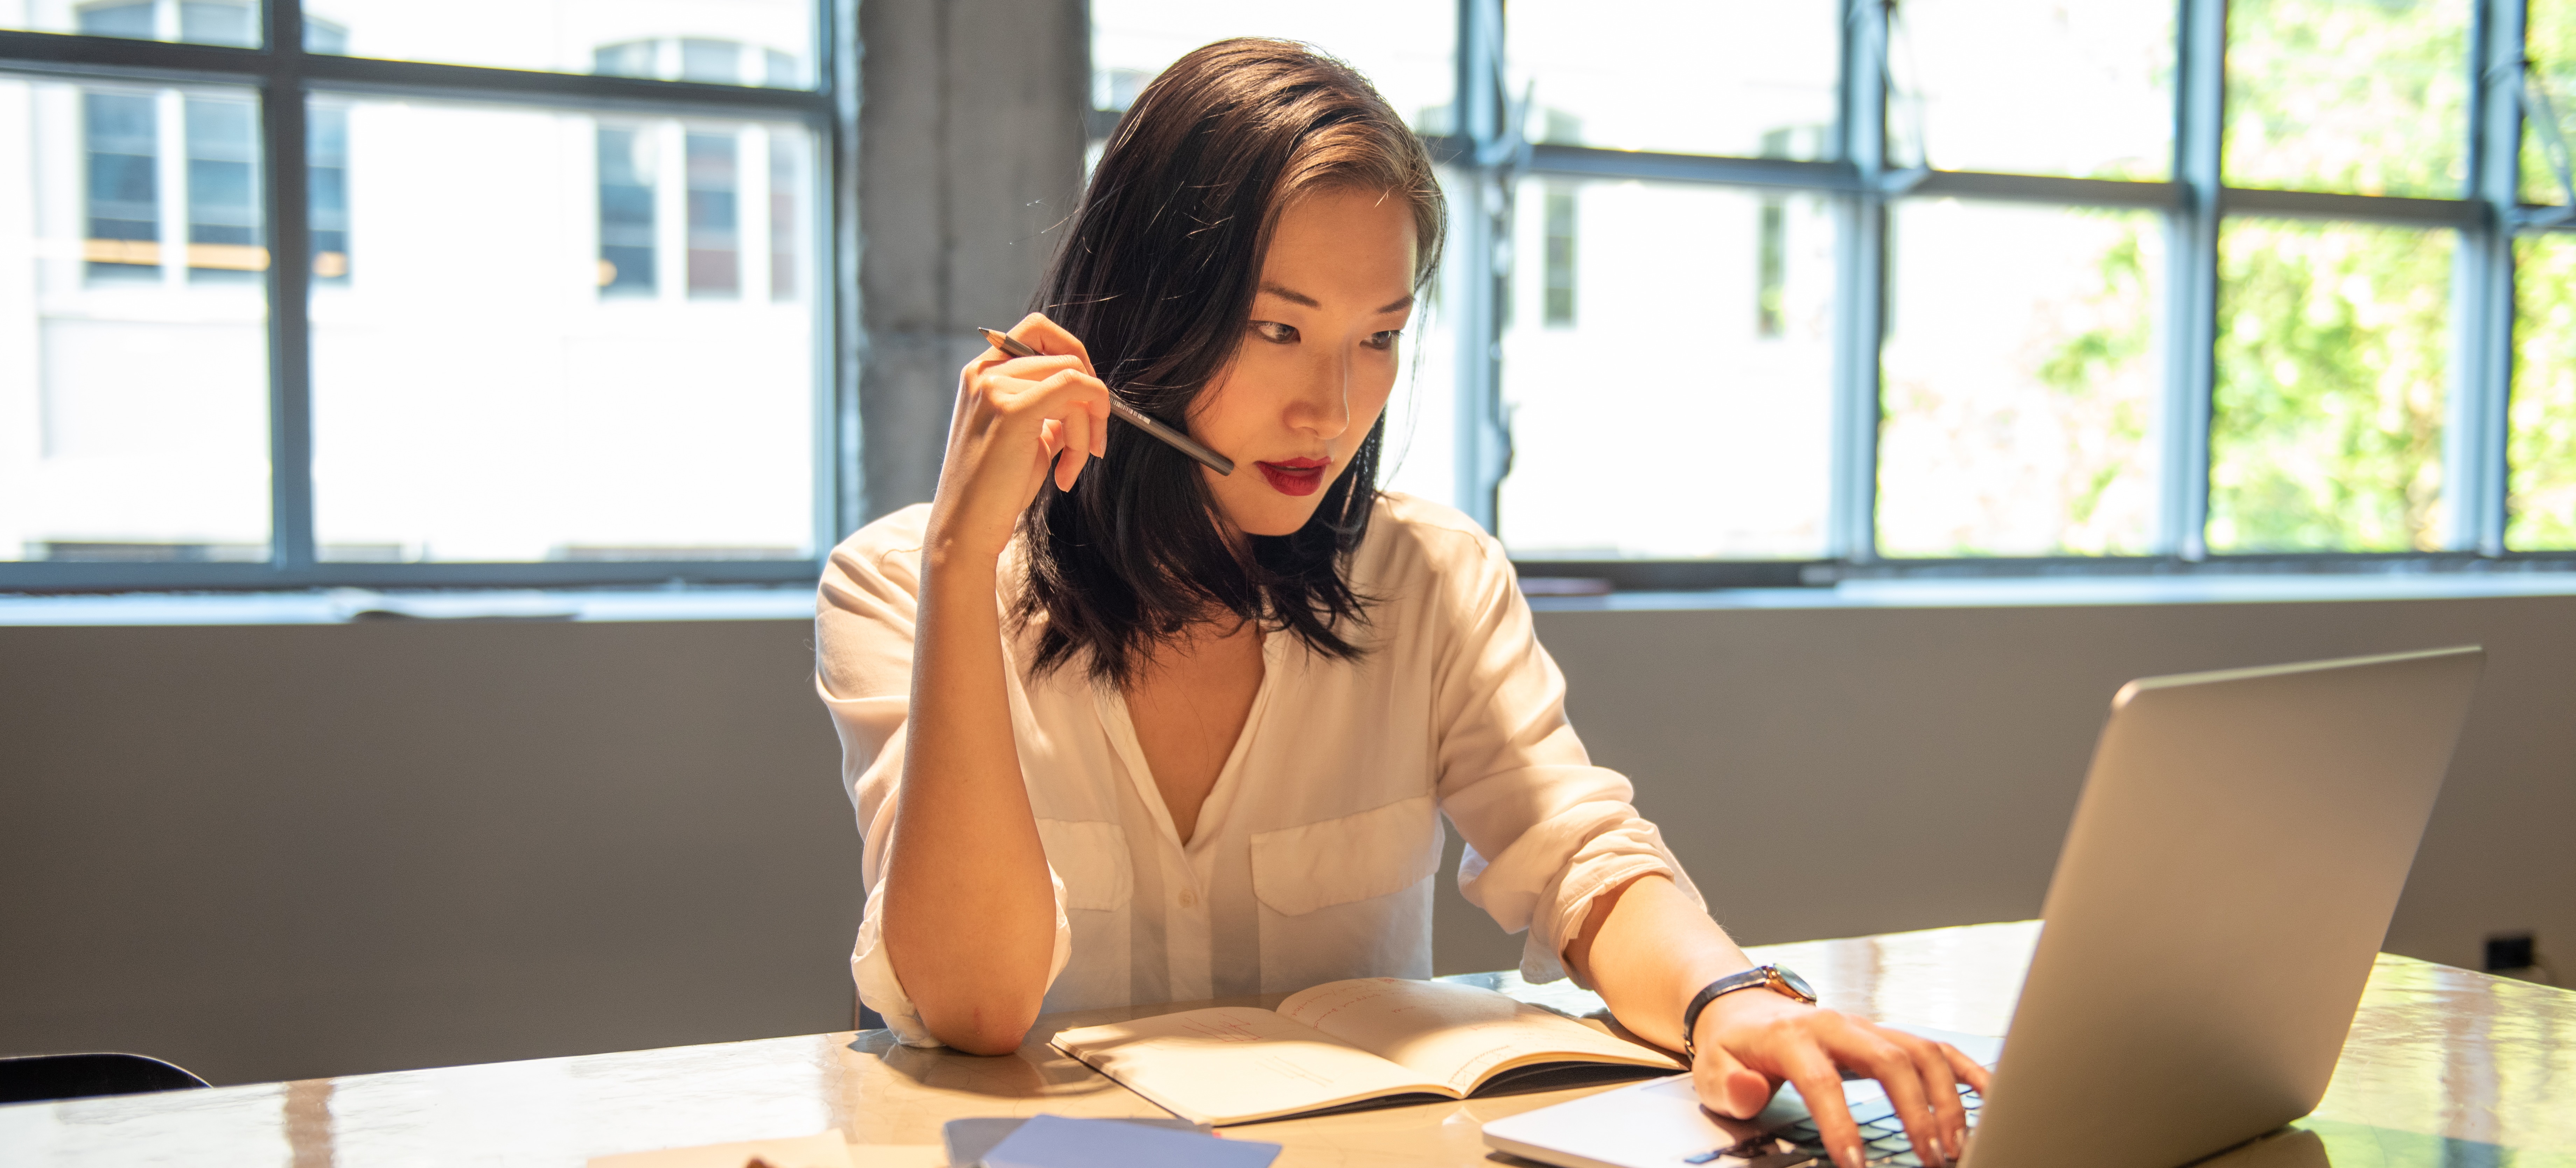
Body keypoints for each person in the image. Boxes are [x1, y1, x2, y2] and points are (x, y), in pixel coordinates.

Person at [814, 38, 1987, 1168]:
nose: (1331, 410)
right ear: (1142, 317)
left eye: (1378, 338)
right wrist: (964, 562)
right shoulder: (900, 584)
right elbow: (972, 1006)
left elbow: (1576, 849)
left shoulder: (1432, 577)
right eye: (1279, 329)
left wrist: (1729, 997)